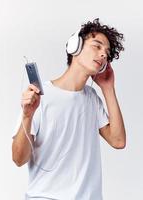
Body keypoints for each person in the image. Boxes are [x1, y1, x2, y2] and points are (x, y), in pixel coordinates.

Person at [12, 18, 126, 200]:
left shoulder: (92, 99)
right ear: (75, 46)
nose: (103, 54)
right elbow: (19, 159)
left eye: (106, 52)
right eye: (97, 46)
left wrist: (108, 88)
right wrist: (27, 116)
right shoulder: (41, 95)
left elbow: (118, 141)